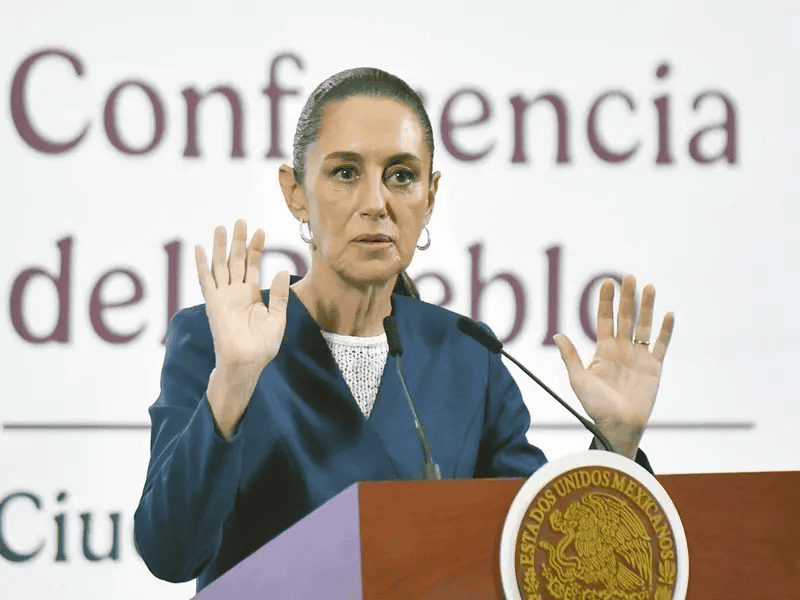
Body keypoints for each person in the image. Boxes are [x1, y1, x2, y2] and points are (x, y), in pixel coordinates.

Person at [133, 68, 674, 591]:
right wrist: (233, 380)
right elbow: (170, 553)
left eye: (401, 176)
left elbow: (534, 556)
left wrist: (616, 447)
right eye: (345, 173)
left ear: (430, 197)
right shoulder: (217, 340)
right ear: (296, 192)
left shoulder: (469, 356)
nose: (376, 204)